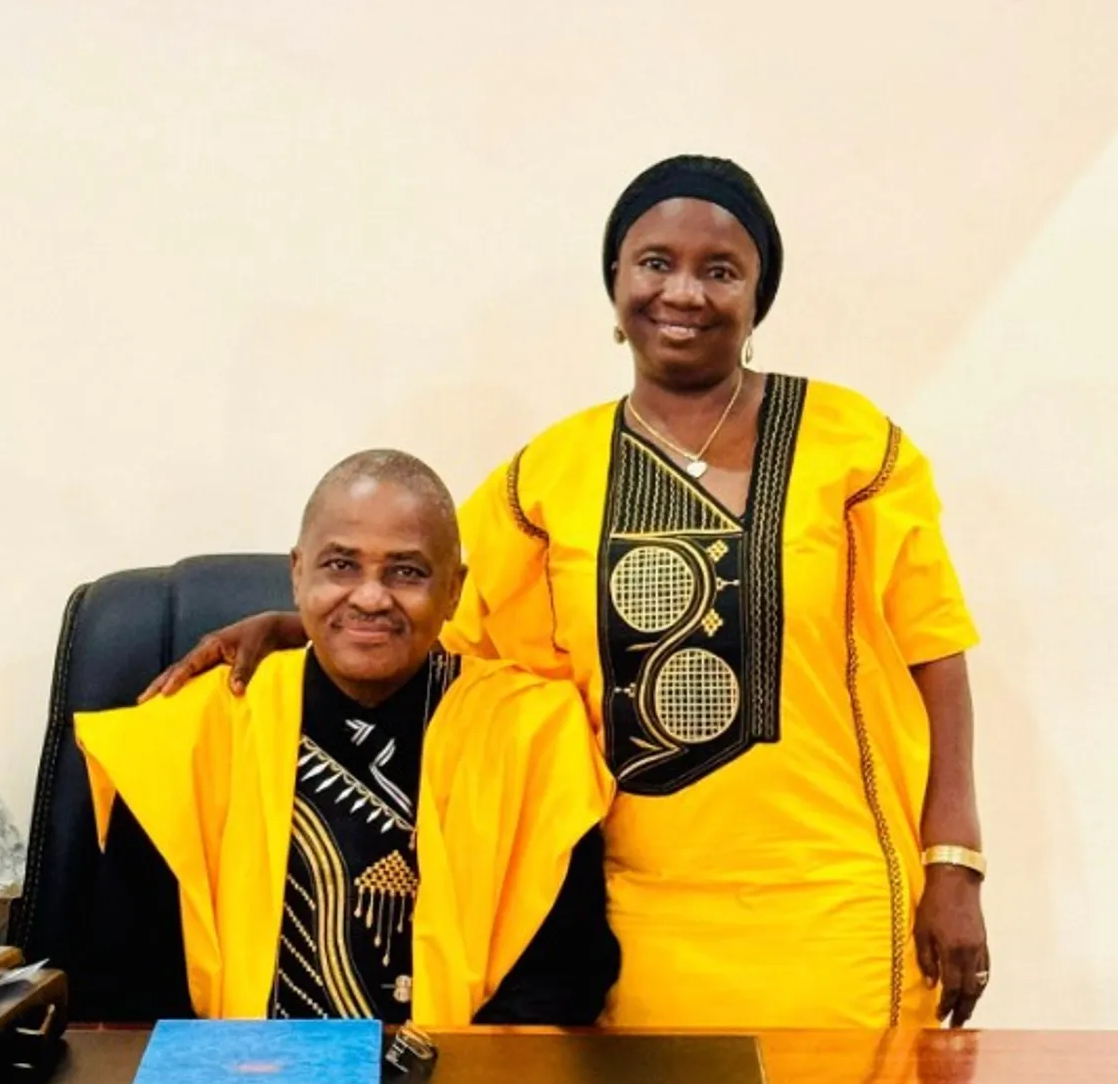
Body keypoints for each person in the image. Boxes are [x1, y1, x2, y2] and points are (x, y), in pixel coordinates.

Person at [152, 154, 989, 1039]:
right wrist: (298, 624)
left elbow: (937, 653)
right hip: (642, 914)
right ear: (616, 284)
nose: (684, 293)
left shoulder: (854, 446)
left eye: (720, 270)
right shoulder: (547, 479)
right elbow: (437, 616)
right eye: (655, 262)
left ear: (758, 298)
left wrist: (955, 865)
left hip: (839, 904)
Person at [59, 447, 631, 1084]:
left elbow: (565, 975)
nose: (370, 596)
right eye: (340, 566)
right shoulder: (200, 729)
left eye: (406, 571)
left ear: (453, 588)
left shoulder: (529, 735)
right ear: (297, 573)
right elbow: (124, 981)